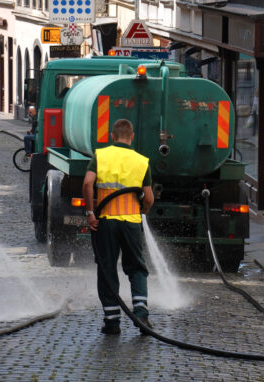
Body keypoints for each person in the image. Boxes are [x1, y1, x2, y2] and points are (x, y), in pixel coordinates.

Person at [82, 119, 154, 335]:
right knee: (137, 268)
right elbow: (148, 197)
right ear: (132, 137)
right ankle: (141, 313)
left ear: (112, 136)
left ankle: (112, 321)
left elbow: (87, 183)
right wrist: (142, 211)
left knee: (107, 269)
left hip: (105, 222)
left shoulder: (101, 156)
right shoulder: (141, 161)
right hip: (131, 223)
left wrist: (90, 212)